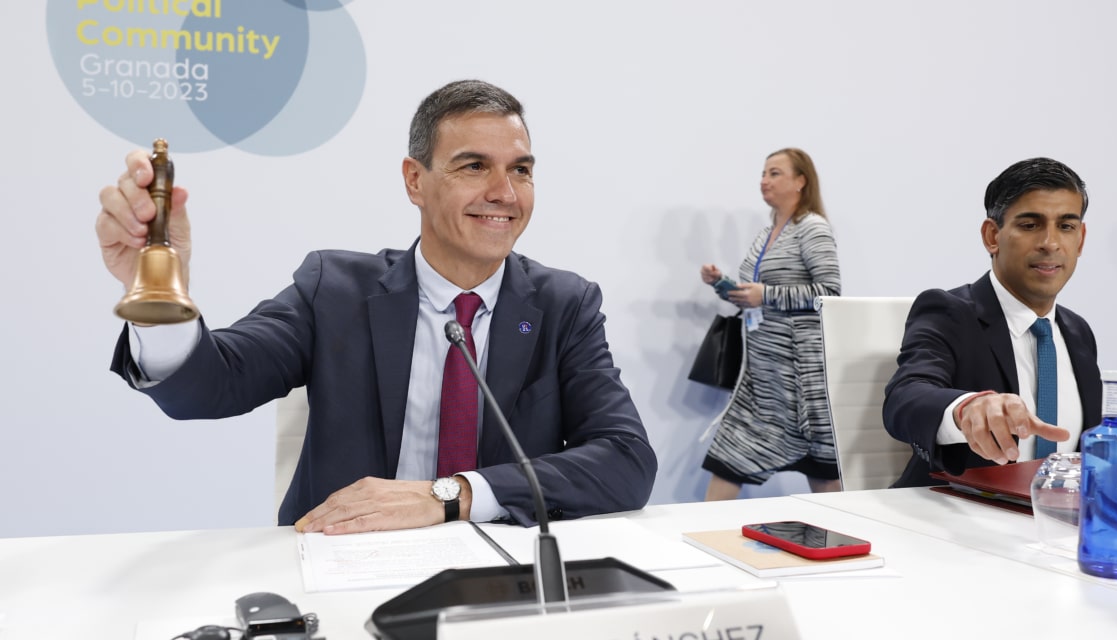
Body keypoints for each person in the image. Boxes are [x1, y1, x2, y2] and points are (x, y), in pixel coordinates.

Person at [96, 80, 657, 533]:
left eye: (521, 170)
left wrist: (452, 495)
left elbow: (626, 461)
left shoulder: (565, 304)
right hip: (348, 564)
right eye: (473, 166)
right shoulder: (334, 289)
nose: (505, 193)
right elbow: (210, 388)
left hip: (500, 569)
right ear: (415, 180)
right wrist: (159, 291)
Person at [883, 157, 1102, 488]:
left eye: (1066, 226)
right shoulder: (948, 311)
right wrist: (965, 408)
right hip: (951, 519)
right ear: (992, 236)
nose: (1050, 243)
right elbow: (905, 398)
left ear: (1081, 239)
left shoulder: (1078, 332)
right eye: (1030, 225)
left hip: (1055, 528)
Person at [698, 148, 843, 499]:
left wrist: (768, 295)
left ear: (801, 181)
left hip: (798, 377)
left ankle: (848, 536)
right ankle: (705, 535)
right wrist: (722, 284)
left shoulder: (812, 228)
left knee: (821, 467)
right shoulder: (767, 233)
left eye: (775, 173)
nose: (764, 181)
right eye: (763, 173)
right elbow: (754, 294)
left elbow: (830, 291)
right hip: (763, 375)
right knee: (730, 455)